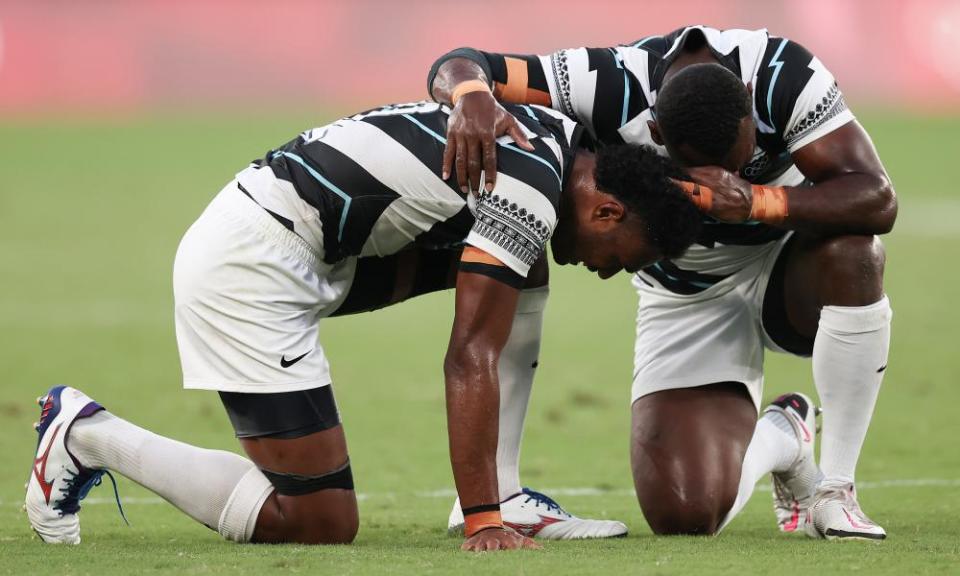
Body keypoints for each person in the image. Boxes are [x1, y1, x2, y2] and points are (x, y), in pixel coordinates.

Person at [25, 100, 702, 551]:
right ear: (609, 211)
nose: (608, 272)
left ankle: (506, 489)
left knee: (521, 271)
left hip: (305, 240)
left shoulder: (547, 136)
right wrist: (481, 525)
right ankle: (88, 435)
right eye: (624, 260)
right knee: (319, 522)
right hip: (251, 267)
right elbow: (470, 355)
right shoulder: (530, 191)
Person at [428, 25, 896, 540]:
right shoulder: (605, 84)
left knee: (856, 252)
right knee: (685, 516)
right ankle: (786, 436)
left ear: (748, 104)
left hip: (789, 263)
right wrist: (470, 95)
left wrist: (760, 200)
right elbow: (464, 62)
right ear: (655, 133)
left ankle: (836, 492)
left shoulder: (782, 75)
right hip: (683, 292)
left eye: (738, 160)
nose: (725, 176)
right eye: (703, 168)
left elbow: (877, 197)